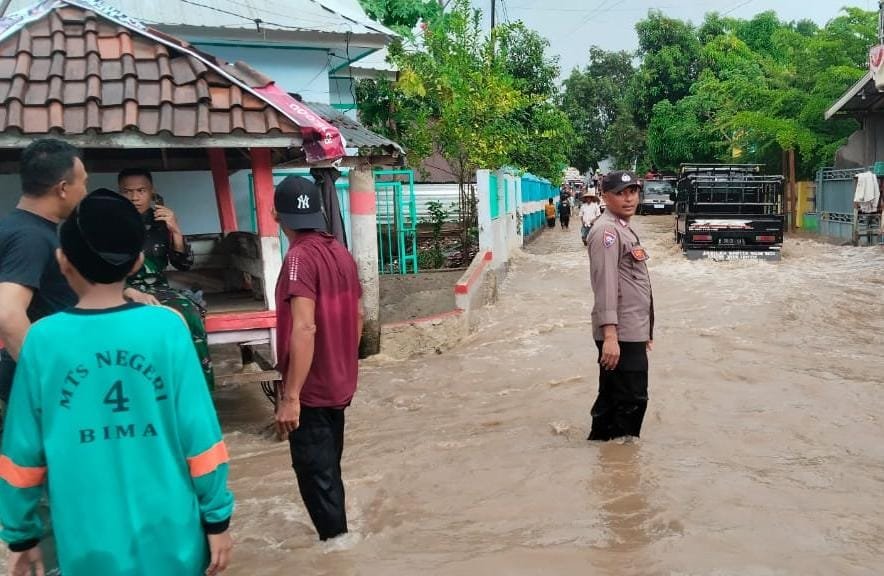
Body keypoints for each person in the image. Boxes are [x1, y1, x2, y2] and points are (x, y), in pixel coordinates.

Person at [0, 189, 234, 576]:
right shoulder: (168, 329)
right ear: (138, 260)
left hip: (86, 549)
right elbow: (201, 436)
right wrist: (217, 520)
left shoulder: (42, 340)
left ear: (62, 261)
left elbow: (22, 453)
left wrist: (21, 536)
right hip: (174, 544)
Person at [272, 176, 363, 542]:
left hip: (311, 389)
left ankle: (338, 551)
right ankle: (340, 541)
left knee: (316, 476)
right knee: (328, 470)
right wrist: (345, 361)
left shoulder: (298, 258)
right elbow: (359, 315)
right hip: (340, 383)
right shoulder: (340, 251)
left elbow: (305, 327)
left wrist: (291, 396)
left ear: (277, 216)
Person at [0, 139, 86, 406]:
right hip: (43, 381)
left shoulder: (16, 227)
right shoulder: (31, 238)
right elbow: (8, 313)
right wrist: (49, 379)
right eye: (83, 183)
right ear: (63, 188)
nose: (85, 191)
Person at [118, 168, 214, 389]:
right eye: (127, 191)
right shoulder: (108, 222)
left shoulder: (161, 222)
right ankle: (145, 389)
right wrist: (129, 291)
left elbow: (183, 264)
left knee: (189, 313)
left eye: (141, 190)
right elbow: (99, 269)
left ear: (152, 191)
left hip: (159, 290)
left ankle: (198, 389)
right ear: (119, 192)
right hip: (119, 290)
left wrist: (176, 230)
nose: (134, 197)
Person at [586, 171, 654, 441]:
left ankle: (603, 451)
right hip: (620, 333)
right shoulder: (607, 232)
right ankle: (622, 455)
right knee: (632, 399)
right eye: (620, 193)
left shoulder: (621, 227)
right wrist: (611, 336)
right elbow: (605, 284)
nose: (629, 199)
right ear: (605, 196)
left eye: (633, 192)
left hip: (631, 330)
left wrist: (645, 331)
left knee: (613, 396)